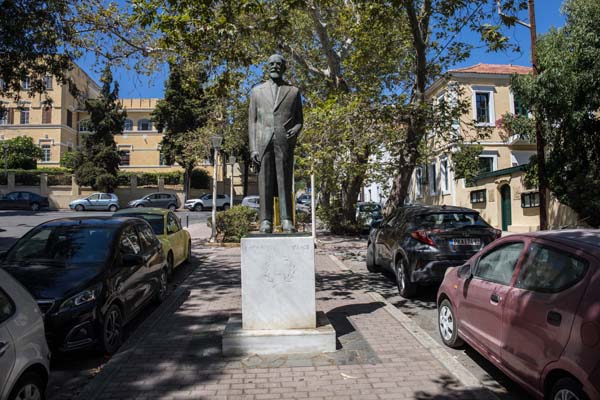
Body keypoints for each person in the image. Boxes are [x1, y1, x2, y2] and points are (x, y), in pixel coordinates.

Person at [248, 54, 303, 233]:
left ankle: (287, 219)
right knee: (264, 183)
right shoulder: (257, 91)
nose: (275, 67)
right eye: (271, 64)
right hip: (263, 142)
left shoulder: (293, 91)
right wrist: (253, 148)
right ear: (267, 67)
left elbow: (299, 120)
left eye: (278, 64)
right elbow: (253, 122)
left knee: (284, 182)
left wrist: (296, 129)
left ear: (284, 68)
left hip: (284, 141)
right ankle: (266, 221)